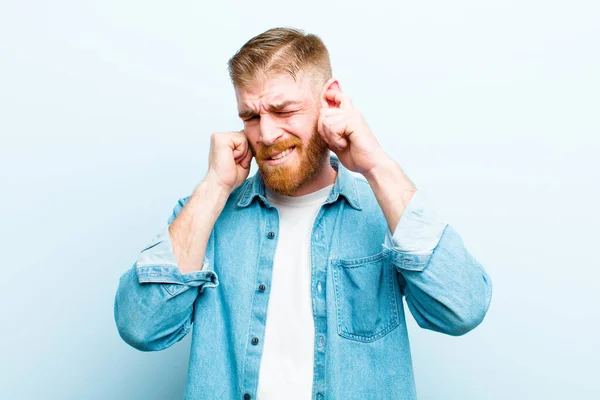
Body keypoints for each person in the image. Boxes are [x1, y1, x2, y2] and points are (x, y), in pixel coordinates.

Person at [114, 27, 492, 400]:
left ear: (330, 101)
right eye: (250, 116)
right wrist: (213, 187)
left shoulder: (385, 213)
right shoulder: (206, 216)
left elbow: (463, 310)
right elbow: (142, 326)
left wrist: (376, 166)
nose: (265, 133)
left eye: (283, 110)